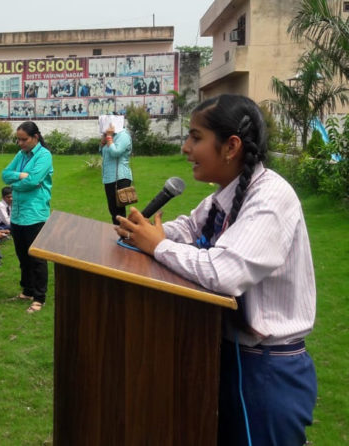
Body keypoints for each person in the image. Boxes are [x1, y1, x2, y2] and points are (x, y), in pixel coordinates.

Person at [114, 94, 317, 446]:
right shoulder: (224, 194)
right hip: (225, 357)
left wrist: (157, 245)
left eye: (195, 137)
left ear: (231, 146)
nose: (185, 148)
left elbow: (225, 273)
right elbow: (188, 229)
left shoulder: (271, 198)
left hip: (266, 373)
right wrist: (148, 232)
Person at [1, 121, 54, 313]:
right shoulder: (20, 155)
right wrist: (21, 175)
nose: (21, 143)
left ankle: (39, 297)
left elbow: (33, 181)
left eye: (24, 139)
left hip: (35, 214)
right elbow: (5, 174)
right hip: (17, 214)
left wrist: (17, 182)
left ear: (35, 138)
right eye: (19, 139)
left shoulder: (44, 156)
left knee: (37, 258)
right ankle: (27, 290)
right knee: (22, 255)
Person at [100, 118, 133, 225]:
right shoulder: (111, 135)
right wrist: (103, 141)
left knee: (119, 211)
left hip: (120, 177)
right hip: (109, 178)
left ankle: (123, 235)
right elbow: (103, 153)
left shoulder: (123, 135)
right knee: (112, 210)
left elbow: (116, 152)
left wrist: (109, 138)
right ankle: (118, 233)